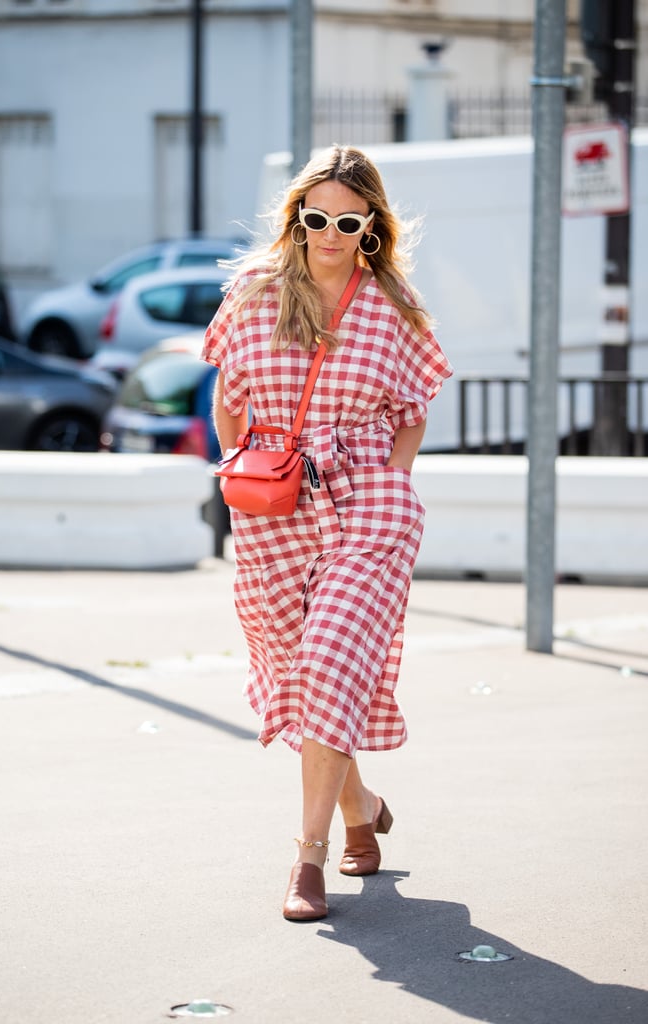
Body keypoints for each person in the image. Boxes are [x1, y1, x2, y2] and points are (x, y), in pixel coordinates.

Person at [201, 144, 452, 922]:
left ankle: (306, 863)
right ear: (296, 218)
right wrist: (246, 470)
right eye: (316, 218)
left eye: (348, 220)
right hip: (273, 510)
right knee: (300, 675)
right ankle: (361, 807)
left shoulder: (392, 305)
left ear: (371, 223)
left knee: (331, 659)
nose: (330, 234)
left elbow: (411, 416)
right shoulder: (255, 294)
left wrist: (392, 483)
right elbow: (228, 401)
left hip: (369, 504)